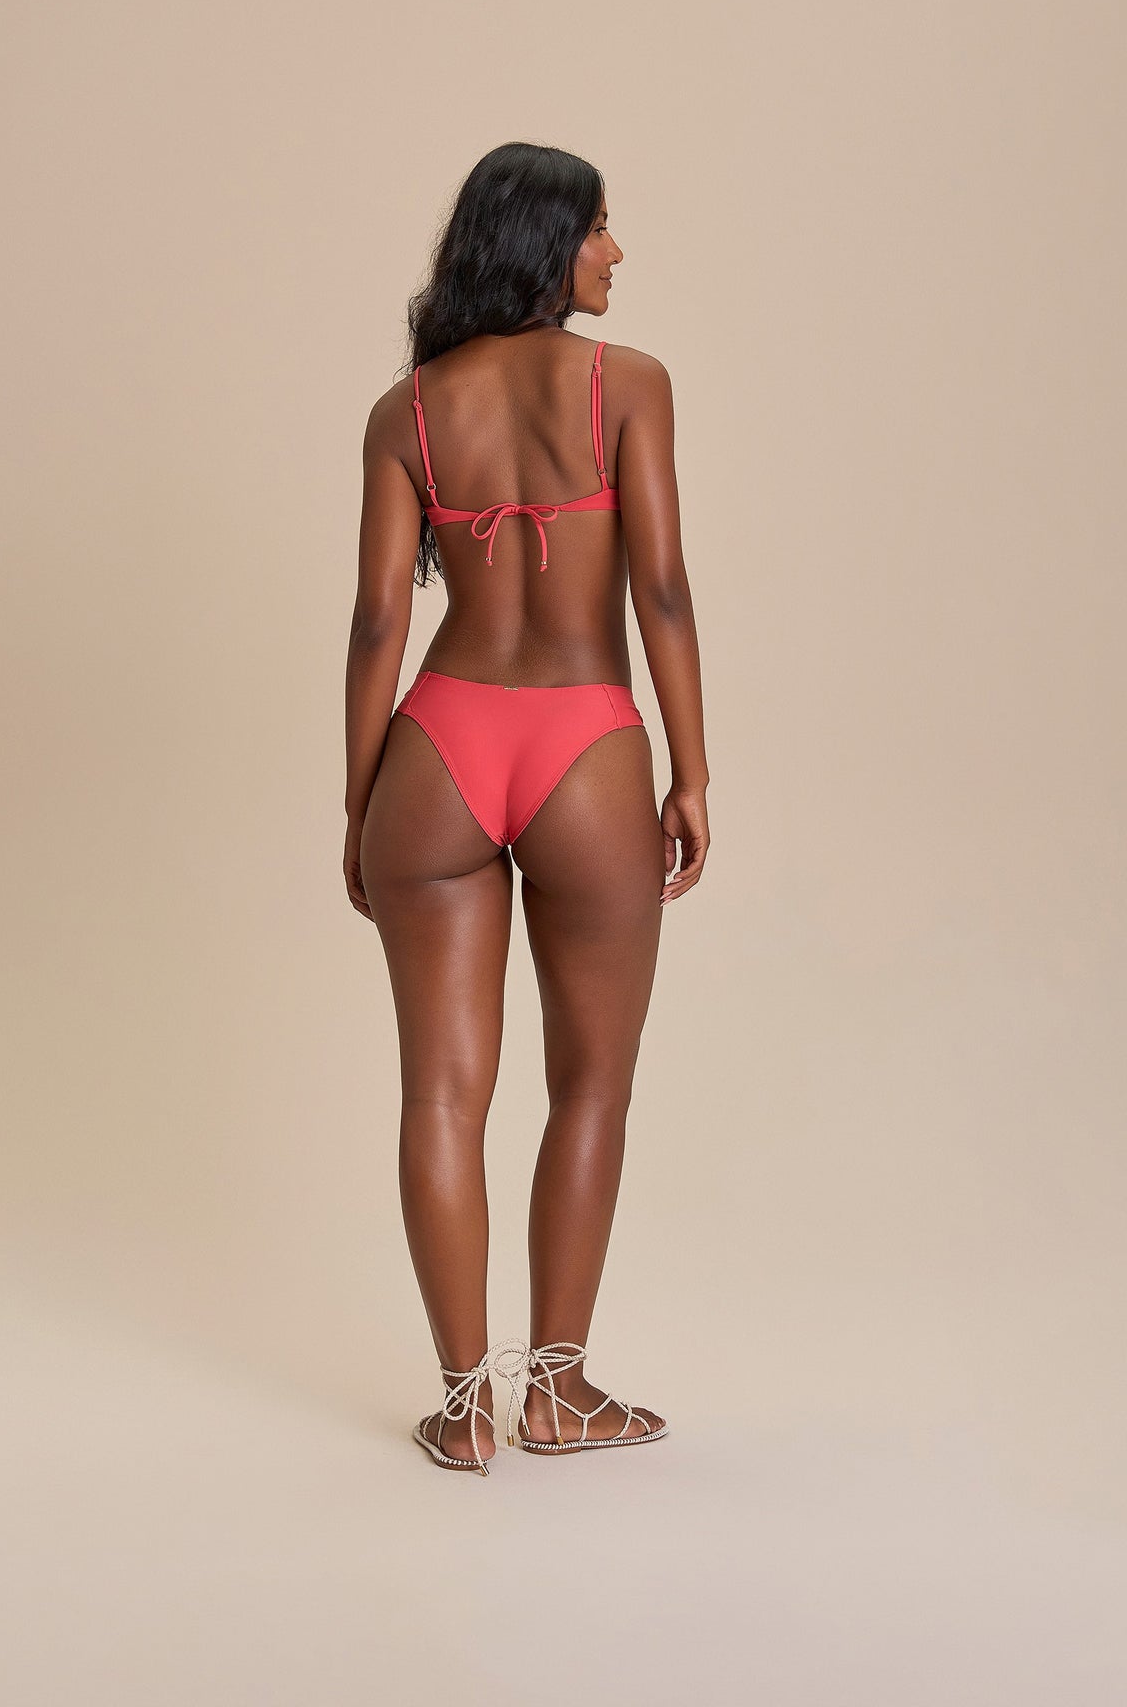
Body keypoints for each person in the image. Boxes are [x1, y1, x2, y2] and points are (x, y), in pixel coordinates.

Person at [344, 142, 710, 1473]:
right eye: (599, 228)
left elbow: (380, 621)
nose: (615, 253)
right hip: (583, 741)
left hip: (436, 746)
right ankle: (556, 1391)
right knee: (590, 1084)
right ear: (546, 243)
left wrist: (358, 803)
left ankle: (462, 1406)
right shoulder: (630, 385)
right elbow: (660, 590)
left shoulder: (408, 411)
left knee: (440, 1094)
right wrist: (693, 771)